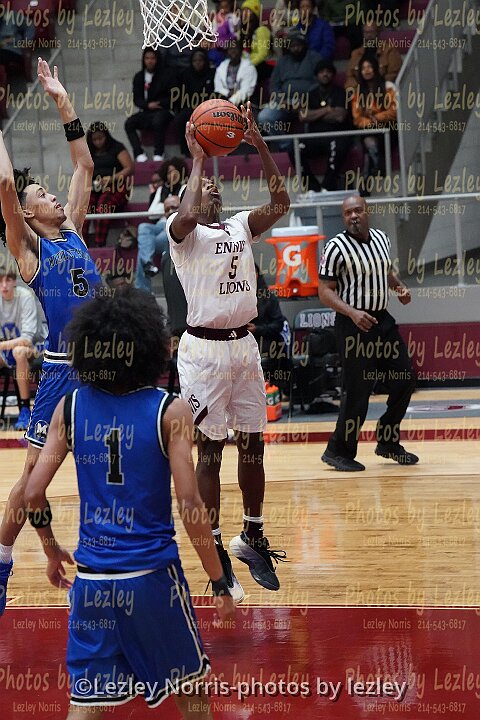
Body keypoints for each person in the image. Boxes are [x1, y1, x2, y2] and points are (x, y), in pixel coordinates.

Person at [24, 288, 235, 719]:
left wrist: (51, 550)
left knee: (86, 707)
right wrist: (218, 579)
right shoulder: (170, 411)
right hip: (152, 579)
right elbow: (190, 503)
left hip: (92, 582)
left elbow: (31, 493)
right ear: (149, 346)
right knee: (192, 698)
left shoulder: (70, 407)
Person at [166, 102, 289, 602]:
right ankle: (214, 549)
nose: (211, 189)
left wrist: (258, 144)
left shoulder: (239, 226)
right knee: (211, 451)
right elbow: (187, 211)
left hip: (244, 346)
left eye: (215, 185)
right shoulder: (183, 234)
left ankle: (252, 535)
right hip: (204, 353)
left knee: (253, 443)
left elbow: (281, 202)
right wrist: (198, 157)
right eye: (202, 187)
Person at [0, 59, 102, 616]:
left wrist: (62, 101)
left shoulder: (75, 234)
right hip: (63, 376)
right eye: (44, 195)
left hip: (104, 370)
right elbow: (5, 187)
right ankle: (7, 561)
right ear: (28, 212)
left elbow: (84, 163)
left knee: (107, 473)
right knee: (31, 485)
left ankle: (107, 565)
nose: (57, 197)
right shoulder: (31, 255)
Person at [318, 194, 418, 472]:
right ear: (343, 217)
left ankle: (388, 441)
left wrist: (399, 287)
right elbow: (324, 291)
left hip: (381, 321)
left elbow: (384, 270)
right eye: (347, 213)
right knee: (357, 390)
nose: (353, 216)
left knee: (405, 378)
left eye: (357, 211)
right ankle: (337, 450)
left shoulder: (381, 239)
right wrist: (352, 312)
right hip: (353, 324)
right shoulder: (335, 247)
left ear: (367, 211)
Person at [290, 59, 351, 192]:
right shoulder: (311, 94)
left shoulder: (341, 92)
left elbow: (340, 116)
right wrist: (327, 110)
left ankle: (327, 187)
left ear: (333, 74)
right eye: (322, 72)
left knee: (339, 147)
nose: (325, 74)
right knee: (293, 148)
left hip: (336, 136)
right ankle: (313, 187)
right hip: (315, 137)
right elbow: (303, 116)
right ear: (317, 75)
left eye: (328, 72)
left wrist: (314, 114)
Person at [0, 263, 46, 429]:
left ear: (14, 282)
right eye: (0, 281)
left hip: (36, 348)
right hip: (6, 350)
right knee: (15, 351)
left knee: (19, 351)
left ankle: (25, 410)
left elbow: (26, 340)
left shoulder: (25, 296)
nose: (4, 285)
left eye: (8, 280)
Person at [257, 28, 320, 144]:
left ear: (304, 45)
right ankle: (287, 144)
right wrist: (281, 100)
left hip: (308, 101)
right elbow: (274, 85)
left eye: (298, 45)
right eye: (292, 46)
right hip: (285, 101)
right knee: (264, 117)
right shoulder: (282, 61)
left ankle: (308, 147)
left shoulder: (315, 58)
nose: (296, 49)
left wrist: (305, 100)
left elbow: (320, 83)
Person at [84, 121, 134, 247]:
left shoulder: (117, 147)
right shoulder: (88, 151)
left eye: (100, 138)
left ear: (106, 136)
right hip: (95, 188)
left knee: (103, 206)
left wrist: (111, 179)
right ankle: (81, 244)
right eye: (95, 139)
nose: (98, 142)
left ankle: (100, 244)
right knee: (83, 207)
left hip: (117, 186)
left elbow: (129, 168)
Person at [124, 47, 176, 162]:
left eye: (152, 58)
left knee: (158, 121)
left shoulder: (166, 75)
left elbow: (173, 96)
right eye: (147, 58)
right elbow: (137, 99)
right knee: (129, 123)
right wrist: (147, 105)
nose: (150, 61)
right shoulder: (139, 77)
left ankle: (159, 153)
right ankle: (139, 153)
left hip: (163, 110)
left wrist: (159, 103)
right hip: (146, 111)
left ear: (157, 59)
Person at [351, 55, 397, 180]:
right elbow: (357, 119)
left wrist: (377, 117)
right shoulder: (358, 92)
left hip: (389, 126)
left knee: (377, 138)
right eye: (363, 68)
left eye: (369, 67)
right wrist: (371, 122)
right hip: (369, 127)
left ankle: (369, 175)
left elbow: (394, 111)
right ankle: (378, 168)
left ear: (376, 68)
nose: (366, 70)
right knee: (368, 140)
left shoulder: (388, 86)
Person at [172, 49, 216, 155]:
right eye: (195, 60)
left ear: (205, 61)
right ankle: (186, 152)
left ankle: (210, 150)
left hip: (208, 108)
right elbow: (181, 95)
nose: (197, 63)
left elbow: (214, 93)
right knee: (180, 120)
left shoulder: (212, 73)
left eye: (200, 60)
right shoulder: (186, 74)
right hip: (190, 107)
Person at [135, 194, 181, 292]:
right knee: (143, 227)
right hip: (160, 225)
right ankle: (147, 263)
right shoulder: (161, 190)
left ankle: (143, 290)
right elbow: (151, 214)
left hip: (174, 226)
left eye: (174, 208)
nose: (170, 211)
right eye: (167, 210)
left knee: (144, 248)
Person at [345, 21, 402, 91]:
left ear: (378, 33)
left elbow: (394, 73)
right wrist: (359, 89)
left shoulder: (389, 50)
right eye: (366, 32)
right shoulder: (355, 53)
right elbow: (350, 76)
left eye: (371, 32)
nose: (369, 35)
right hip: (361, 91)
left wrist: (376, 86)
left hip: (383, 90)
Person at [214, 38, 258, 108]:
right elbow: (218, 88)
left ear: (241, 50)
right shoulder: (221, 66)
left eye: (236, 48)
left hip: (243, 104)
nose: (233, 51)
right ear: (227, 51)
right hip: (223, 101)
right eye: (230, 49)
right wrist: (228, 93)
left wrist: (230, 102)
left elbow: (246, 90)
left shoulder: (249, 67)